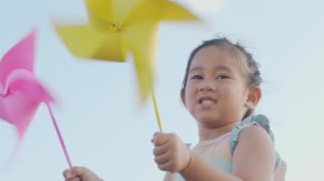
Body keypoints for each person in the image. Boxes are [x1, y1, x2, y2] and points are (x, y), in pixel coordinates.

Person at [63, 37, 286, 181]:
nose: (206, 84)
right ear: (183, 96)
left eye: (222, 76)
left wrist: (189, 163)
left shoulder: (250, 136)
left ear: (251, 96)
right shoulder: (176, 166)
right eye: (197, 76)